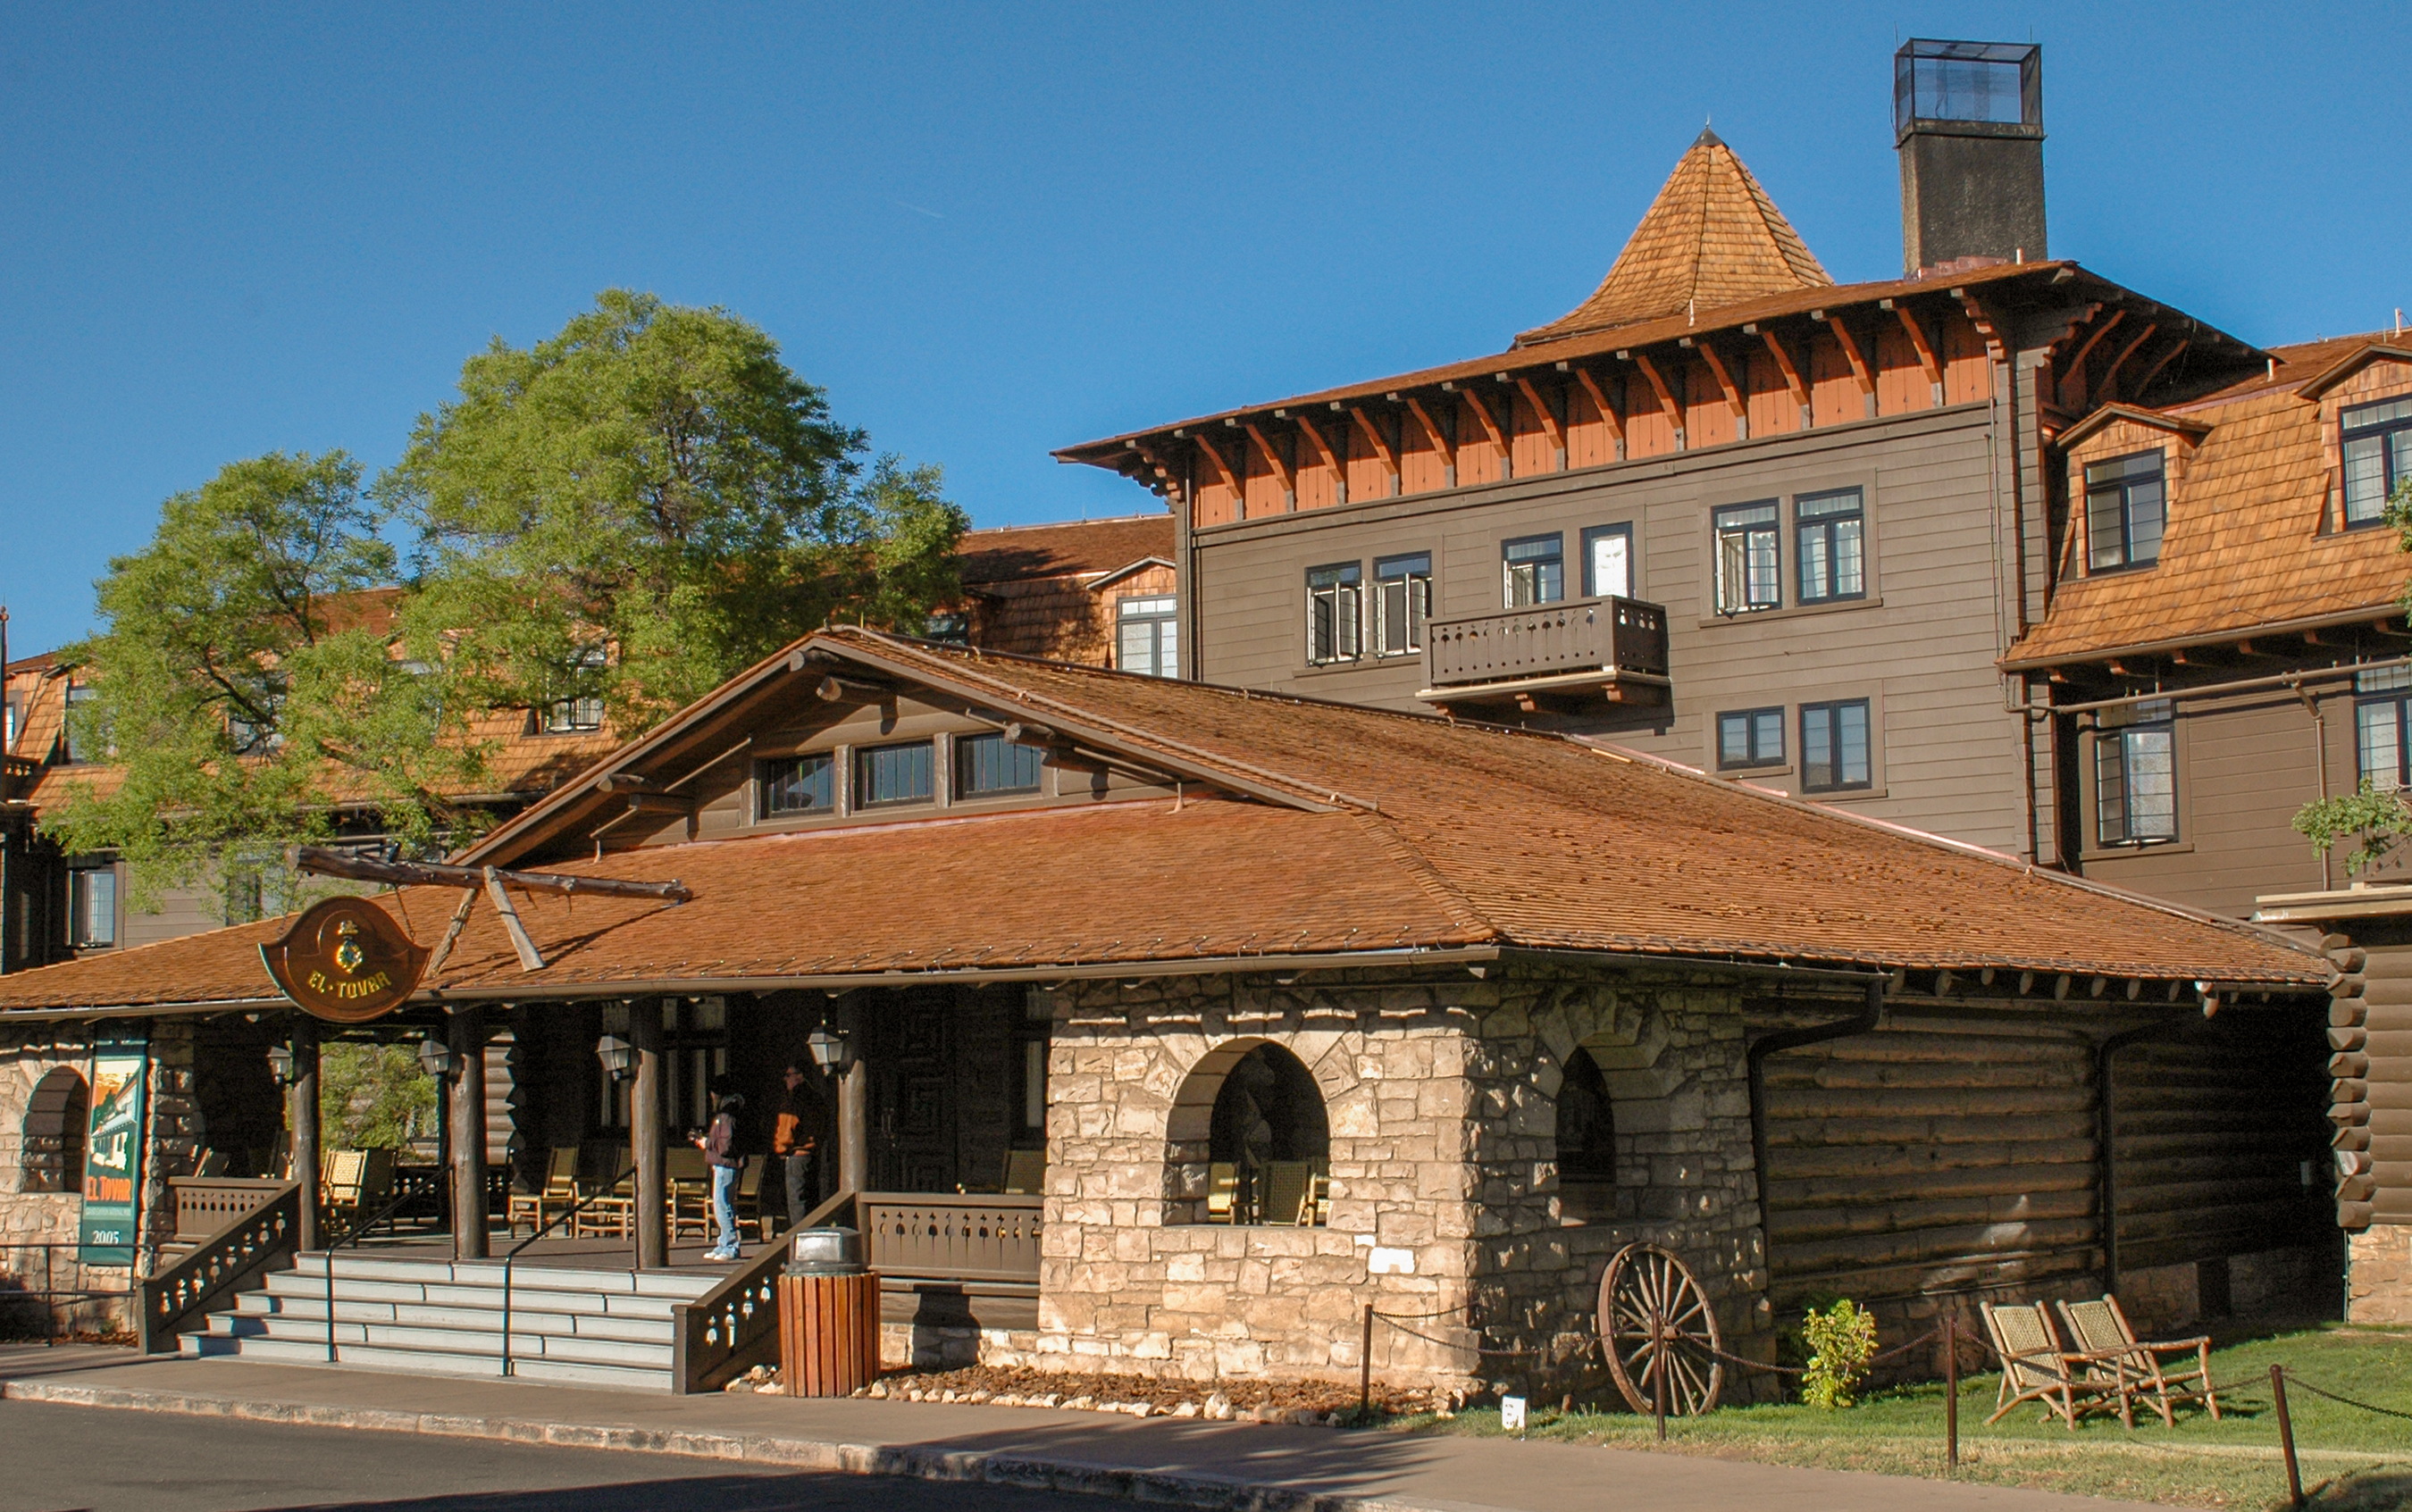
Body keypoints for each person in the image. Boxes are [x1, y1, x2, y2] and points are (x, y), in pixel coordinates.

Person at [694, 1090, 745, 1261]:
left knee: (722, 1205)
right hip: (723, 1165)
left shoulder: (726, 1116)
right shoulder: (728, 1114)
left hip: (725, 1165)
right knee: (722, 1204)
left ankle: (730, 1245)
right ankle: (723, 1242)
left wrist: (707, 1143)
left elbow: (725, 1145)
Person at [772, 1063, 821, 1229]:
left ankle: (800, 1239)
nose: (785, 1079)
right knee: (812, 1199)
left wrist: (780, 1148)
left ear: (799, 1077)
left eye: (789, 1075)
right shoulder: (816, 1097)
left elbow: (787, 1126)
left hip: (797, 1154)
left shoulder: (795, 1099)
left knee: (797, 1202)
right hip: (813, 1153)